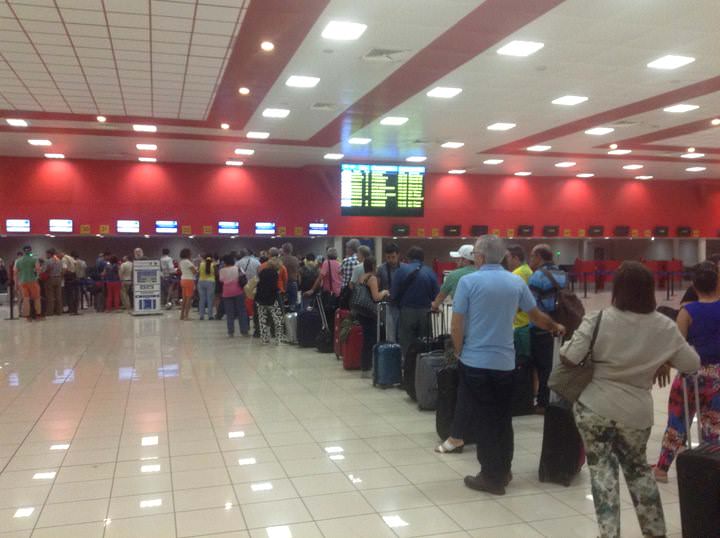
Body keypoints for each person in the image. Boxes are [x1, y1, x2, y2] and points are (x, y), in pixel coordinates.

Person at [560, 261, 699, 538]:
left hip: (594, 407)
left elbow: (571, 355)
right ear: (649, 290)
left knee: (603, 476)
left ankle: (609, 534)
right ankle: (655, 532)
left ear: (617, 289)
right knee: (639, 472)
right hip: (636, 412)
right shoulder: (663, 326)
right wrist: (662, 357)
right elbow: (691, 363)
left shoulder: (599, 319)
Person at [450, 235, 563, 495]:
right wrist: (555, 326)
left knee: (484, 421)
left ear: (479, 256)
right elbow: (536, 316)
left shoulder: (469, 282)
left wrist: (458, 352)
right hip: (505, 363)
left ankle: (491, 476)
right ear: (502, 256)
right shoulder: (515, 281)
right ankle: (505, 470)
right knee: (502, 418)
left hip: (475, 362)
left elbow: (457, 324)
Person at [654, 261, 720, 482]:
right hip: (718, 376)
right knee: (713, 424)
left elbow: (677, 347)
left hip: (691, 375)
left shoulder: (687, 311)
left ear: (693, 284)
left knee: (677, 420)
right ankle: (711, 467)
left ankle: (662, 469)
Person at [528, 243, 567, 413]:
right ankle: (554, 398)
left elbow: (532, 306)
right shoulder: (562, 273)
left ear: (539, 257)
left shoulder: (537, 276)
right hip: (559, 325)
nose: (530, 260)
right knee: (553, 365)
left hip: (540, 327)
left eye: (532, 256)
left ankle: (542, 402)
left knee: (540, 367)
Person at [390, 246, 439, 360]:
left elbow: (394, 293)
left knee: (406, 342)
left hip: (407, 311)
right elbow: (436, 294)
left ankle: (408, 368)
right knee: (424, 342)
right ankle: (422, 367)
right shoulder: (430, 272)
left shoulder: (401, 270)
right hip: (425, 312)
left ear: (408, 258)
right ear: (423, 258)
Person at [356, 256, 390, 378]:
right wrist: (385, 292)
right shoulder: (372, 278)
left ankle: (365, 367)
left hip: (361, 311)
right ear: (374, 266)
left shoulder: (361, 277)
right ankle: (368, 367)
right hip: (370, 312)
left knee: (366, 339)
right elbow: (376, 297)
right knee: (371, 339)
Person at [431, 244, 476, 312]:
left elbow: (441, 296)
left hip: (460, 315)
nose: (456, 261)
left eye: (458, 259)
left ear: (464, 259)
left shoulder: (454, 274)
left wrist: (434, 306)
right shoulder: (482, 272)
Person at [256, 254, 284, 344]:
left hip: (260, 298)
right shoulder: (274, 273)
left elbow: (259, 284)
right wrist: (278, 290)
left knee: (262, 320)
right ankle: (278, 339)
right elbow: (273, 286)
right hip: (271, 299)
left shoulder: (262, 271)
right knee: (277, 319)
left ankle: (264, 339)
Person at [218, 254, 249, 337]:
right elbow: (244, 276)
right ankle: (244, 331)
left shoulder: (222, 270)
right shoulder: (238, 268)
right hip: (238, 292)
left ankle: (231, 332)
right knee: (242, 311)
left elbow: (221, 280)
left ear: (225, 262)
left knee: (229, 313)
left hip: (227, 293)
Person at [377, 242, 401, 342]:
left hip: (401, 305)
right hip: (387, 306)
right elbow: (378, 287)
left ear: (398, 255)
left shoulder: (404, 268)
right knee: (390, 334)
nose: (391, 260)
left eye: (393, 257)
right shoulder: (381, 269)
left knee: (401, 333)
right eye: (388, 257)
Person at [14, 245, 42, 321]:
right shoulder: (34, 259)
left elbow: (15, 273)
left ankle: (27, 317)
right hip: (32, 281)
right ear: (30, 250)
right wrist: (37, 276)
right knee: (36, 298)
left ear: (23, 251)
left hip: (22, 282)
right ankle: (38, 315)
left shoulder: (18, 260)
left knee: (26, 299)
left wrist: (16, 284)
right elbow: (38, 269)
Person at [195, 254, 216, 320]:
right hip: (210, 282)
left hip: (201, 282)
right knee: (210, 299)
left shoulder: (201, 264)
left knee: (202, 299)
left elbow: (198, 273)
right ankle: (210, 315)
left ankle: (201, 315)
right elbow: (216, 273)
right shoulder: (213, 264)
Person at [177, 249, 196, 320]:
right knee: (189, 298)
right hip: (189, 280)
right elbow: (194, 272)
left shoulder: (181, 262)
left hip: (183, 280)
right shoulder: (188, 262)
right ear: (188, 254)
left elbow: (180, 270)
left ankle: (181, 315)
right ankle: (186, 316)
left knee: (184, 298)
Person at [281, 243, 300, 312]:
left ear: (283, 250)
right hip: (293, 283)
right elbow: (298, 272)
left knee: (282, 304)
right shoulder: (295, 260)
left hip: (283, 284)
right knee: (293, 304)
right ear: (291, 250)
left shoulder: (281, 260)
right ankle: (293, 320)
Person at [45, 249, 63, 316]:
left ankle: (50, 312)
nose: (46, 255)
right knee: (58, 296)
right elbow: (62, 270)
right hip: (58, 278)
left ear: (50, 254)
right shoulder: (59, 260)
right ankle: (59, 311)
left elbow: (45, 270)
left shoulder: (48, 261)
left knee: (50, 296)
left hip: (51, 279)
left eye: (47, 254)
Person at [60, 250, 78, 314]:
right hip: (74, 275)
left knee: (69, 294)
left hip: (68, 277)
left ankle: (70, 309)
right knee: (74, 293)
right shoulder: (70, 257)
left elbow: (64, 268)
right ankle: (75, 309)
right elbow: (75, 263)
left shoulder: (64, 259)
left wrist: (62, 275)